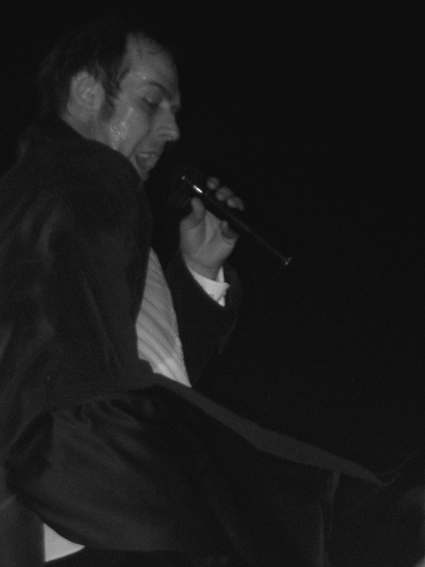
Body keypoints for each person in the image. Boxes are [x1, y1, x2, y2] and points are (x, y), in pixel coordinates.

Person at [0, 17, 381, 567]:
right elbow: (56, 372)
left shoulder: (100, 213)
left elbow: (146, 363)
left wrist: (199, 267)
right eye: (152, 101)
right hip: (94, 508)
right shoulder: (82, 176)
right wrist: (146, 492)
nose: (172, 129)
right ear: (86, 93)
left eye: (174, 110)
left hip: (100, 508)